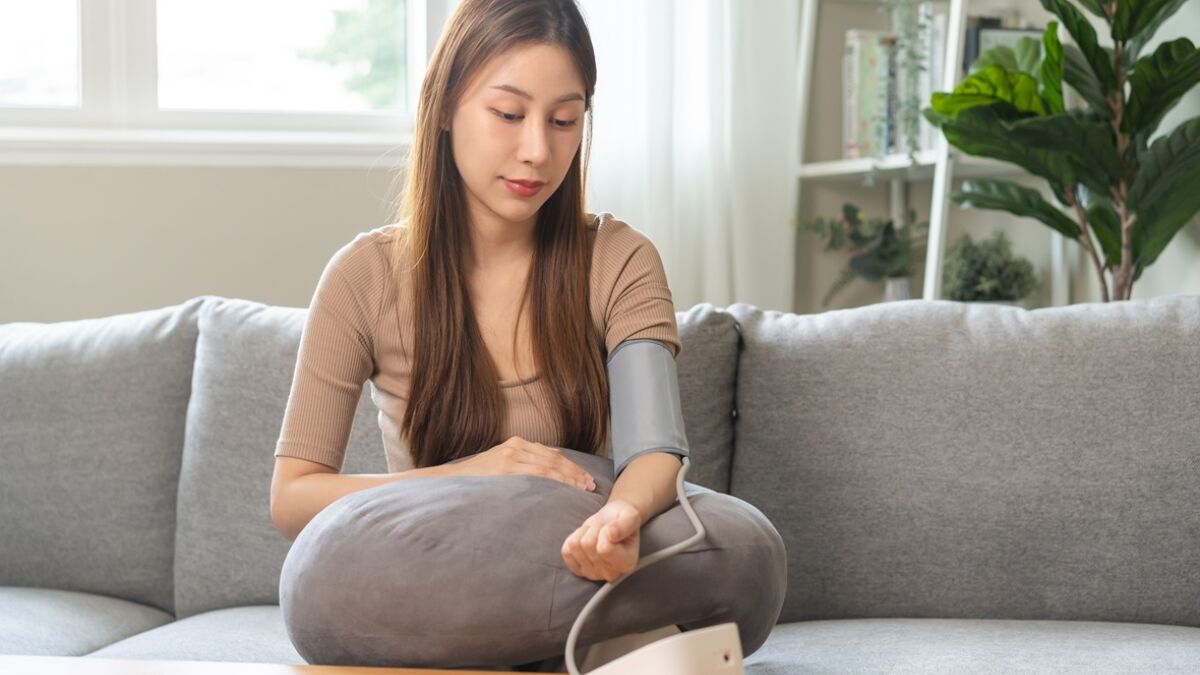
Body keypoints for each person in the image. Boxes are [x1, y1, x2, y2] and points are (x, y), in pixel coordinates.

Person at [269, 0, 689, 671]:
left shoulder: (620, 257)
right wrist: (472, 474)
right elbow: (293, 497)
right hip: (432, 574)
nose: (537, 151)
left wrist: (621, 518)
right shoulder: (363, 275)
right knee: (317, 583)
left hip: (578, 558)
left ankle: (552, 639)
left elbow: (655, 450)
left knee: (741, 543)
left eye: (563, 120)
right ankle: (571, 645)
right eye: (508, 113)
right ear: (444, 106)